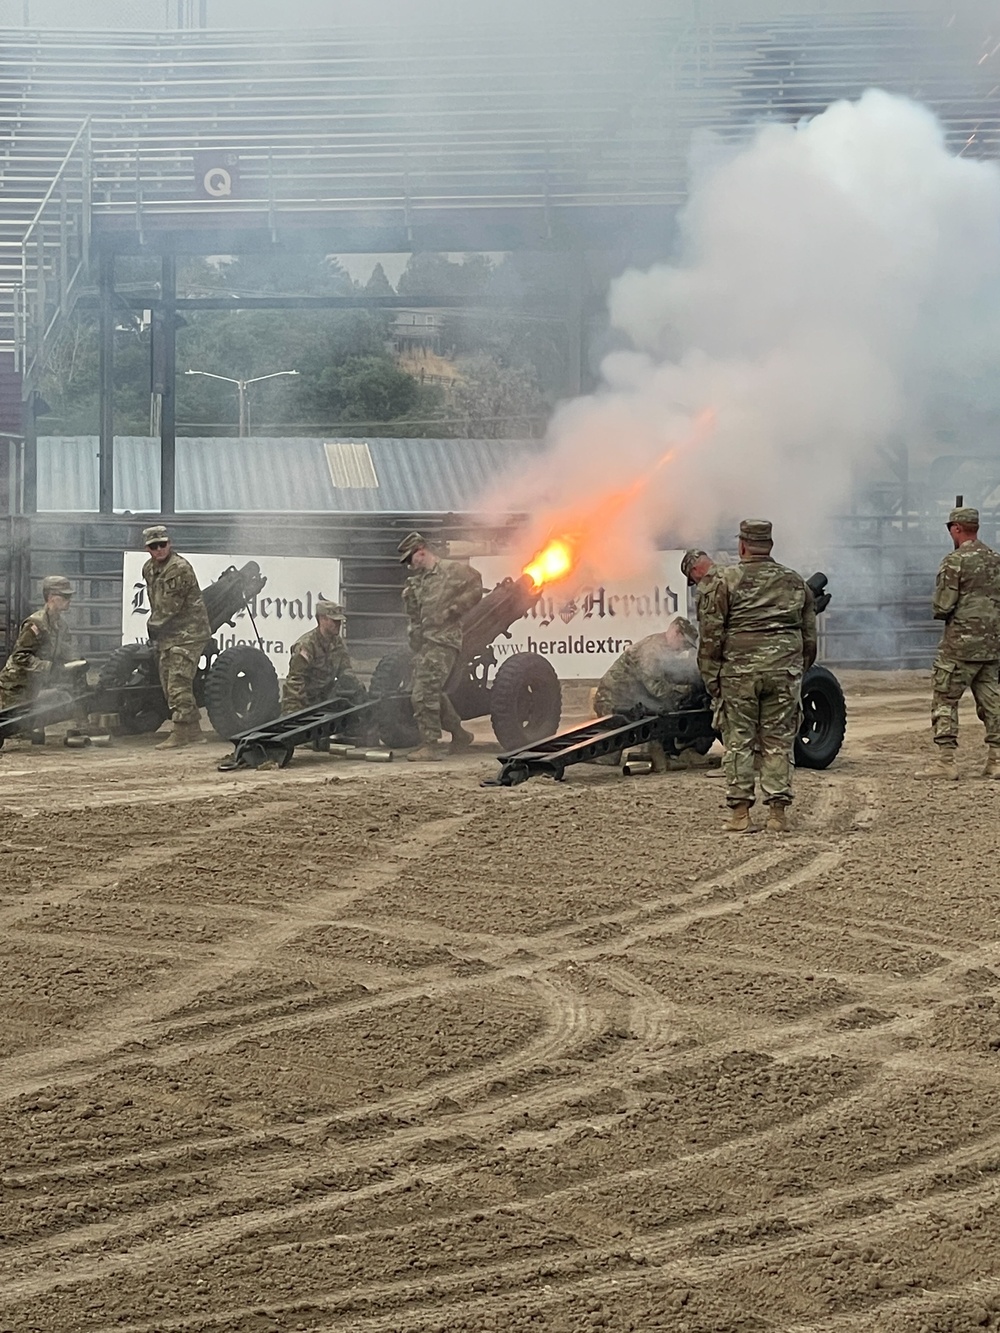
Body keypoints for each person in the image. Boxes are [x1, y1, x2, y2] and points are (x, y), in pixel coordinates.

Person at [697, 519, 816, 834]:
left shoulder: (725, 581)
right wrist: (795, 671)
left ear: (742, 545)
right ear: (770, 546)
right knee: (778, 741)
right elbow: (809, 638)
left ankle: (740, 815)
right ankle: (777, 814)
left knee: (739, 741)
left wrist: (713, 680)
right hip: (783, 673)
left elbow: (710, 637)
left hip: (740, 675)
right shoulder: (794, 582)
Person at [915, 505, 1000, 780]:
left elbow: (942, 605)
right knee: (992, 701)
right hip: (992, 644)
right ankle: (996, 760)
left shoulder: (955, 561)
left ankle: (946, 761)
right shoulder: (995, 560)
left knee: (945, 699)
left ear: (956, 528)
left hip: (959, 646)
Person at [397, 531, 484, 761]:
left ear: (421, 551)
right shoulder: (418, 581)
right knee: (428, 688)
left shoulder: (450, 570)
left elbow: (476, 585)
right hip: (428, 642)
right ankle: (460, 734)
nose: (409, 565)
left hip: (445, 641)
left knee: (423, 692)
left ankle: (430, 745)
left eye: (410, 559)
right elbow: (415, 616)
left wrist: (453, 610)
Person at [593, 617, 705, 772]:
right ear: (675, 633)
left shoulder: (665, 649)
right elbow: (657, 689)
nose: (684, 649)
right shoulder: (652, 650)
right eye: (684, 644)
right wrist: (689, 691)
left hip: (633, 700)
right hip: (614, 702)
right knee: (609, 756)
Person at [142, 524, 211, 749]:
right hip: (169, 634)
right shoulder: (149, 569)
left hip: (189, 633)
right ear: (148, 549)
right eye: (154, 546)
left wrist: (151, 626)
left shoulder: (178, 569)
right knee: (166, 681)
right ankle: (194, 731)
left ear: (170, 544)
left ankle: (180, 732)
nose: (160, 549)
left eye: (163, 544)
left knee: (177, 682)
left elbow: (169, 607)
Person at [0, 574, 80, 709]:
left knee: (33, 725)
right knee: (15, 727)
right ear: (50, 597)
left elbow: (66, 651)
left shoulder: (61, 625)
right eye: (65, 596)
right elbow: (20, 657)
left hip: (34, 687)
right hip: (15, 688)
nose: (69, 600)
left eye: (69, 596)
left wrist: (77, 662)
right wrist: (49, 667)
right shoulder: (36, 623)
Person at [282, 600, 365, 714]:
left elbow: (345, 670)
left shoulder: (338, 644)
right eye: (334, 621)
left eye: (339, 621)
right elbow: (295, 682)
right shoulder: (306, 646)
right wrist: (295, 715)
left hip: (326, 703)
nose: (338, 625)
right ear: (322, 619)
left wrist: (356, 688)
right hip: (304, 704)